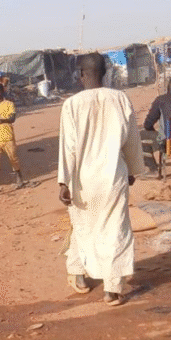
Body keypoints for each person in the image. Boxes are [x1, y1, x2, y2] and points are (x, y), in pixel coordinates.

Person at [58, 52, 144, 306]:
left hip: (83, 180)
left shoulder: (71, 105)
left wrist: (63, 182)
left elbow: (68, 147)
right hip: (113, 177)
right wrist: (131, 171)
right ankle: (113, 290)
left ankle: (79, 276)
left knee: (82, 227)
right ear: (105, 73)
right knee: (115, 229)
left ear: (81, 74)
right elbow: (131, 140)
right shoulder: (120, 99)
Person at [0, 82, 24, 195]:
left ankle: (19, 177)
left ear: (2, 92)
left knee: (13, 159)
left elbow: (12, 118)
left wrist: (3, 120)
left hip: (8, 138)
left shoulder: (9, 104)